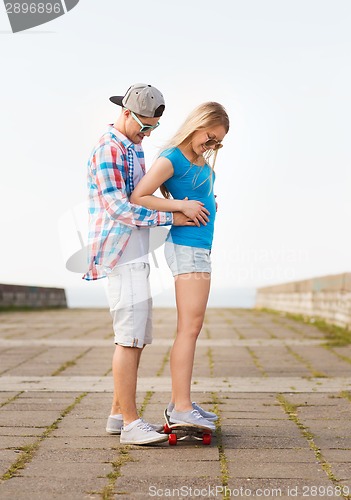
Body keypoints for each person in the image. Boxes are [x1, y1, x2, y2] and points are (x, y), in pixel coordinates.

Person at [82, 83, 209, 445]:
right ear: (125, 112)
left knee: (136, 335)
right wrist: (174, 217)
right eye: (143, 125)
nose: (147, 133)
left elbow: (146, 197)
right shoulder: (109, 148)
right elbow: (119, 208)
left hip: (134, 254)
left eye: (153, 128)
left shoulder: (131, 148)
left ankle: (117, 414)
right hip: (119, 253)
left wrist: (180, 202)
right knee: (130, 339)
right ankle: (132, 425)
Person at [131, 101, 230, 430]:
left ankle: (181, 402)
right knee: (189, 328)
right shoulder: (172, 157)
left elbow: (198, 195)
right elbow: (140, 196)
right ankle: (181, 408)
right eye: (211, 137)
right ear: (198, 125)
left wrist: (210, 203)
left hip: (200, 249)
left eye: (218, 141)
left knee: (192, 327)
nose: (213, 145)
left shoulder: (202, 162)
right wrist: (180, 206)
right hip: (186, 248)